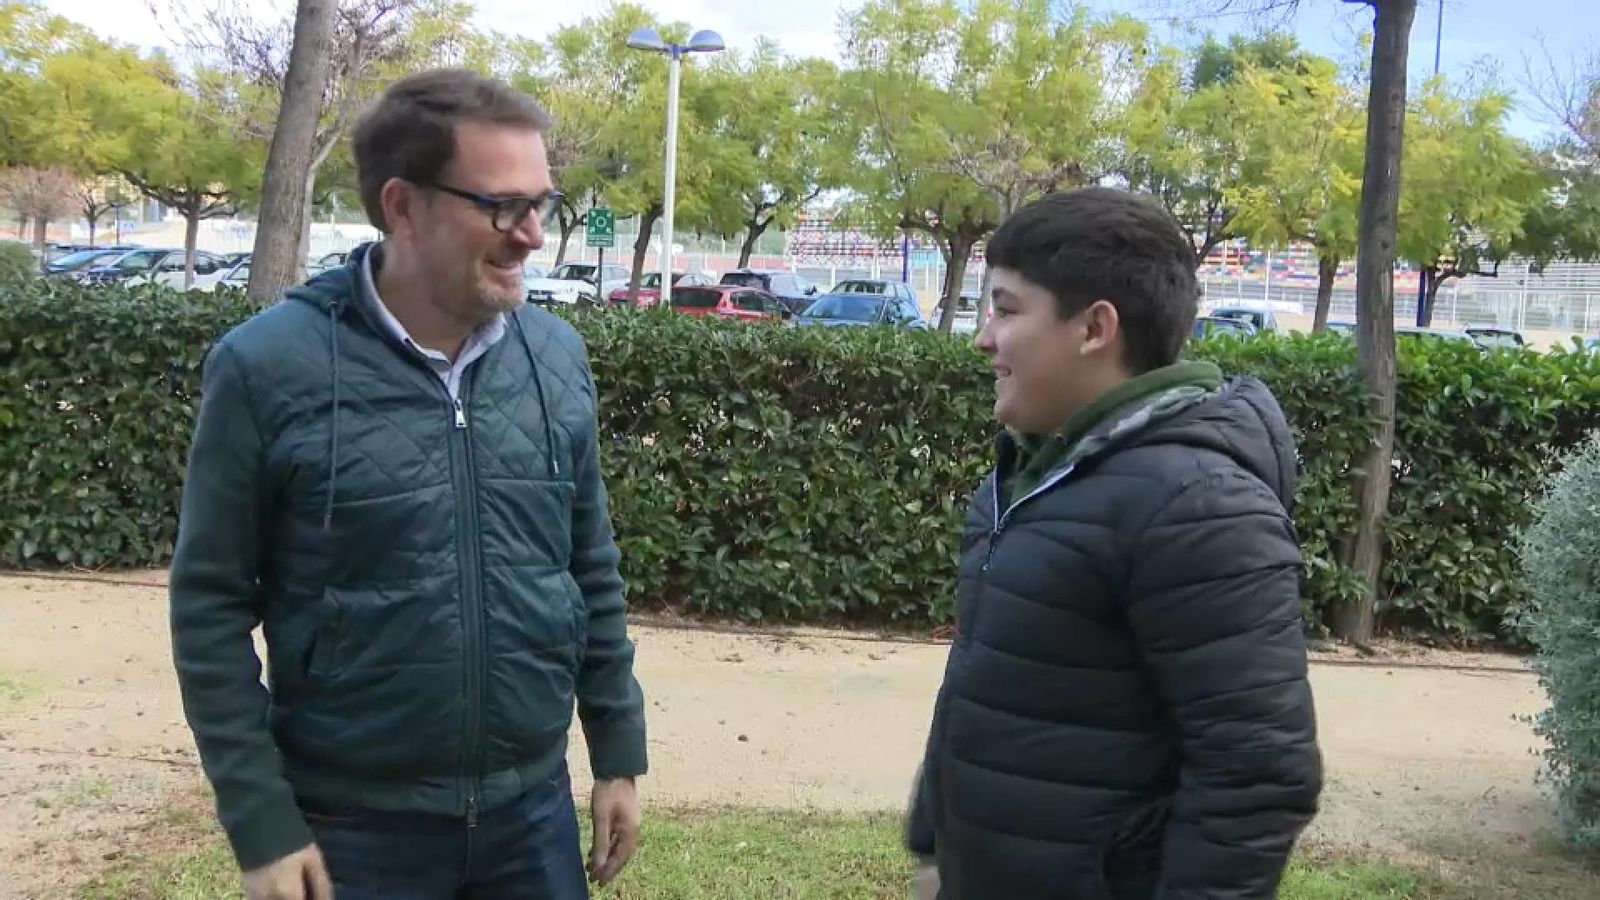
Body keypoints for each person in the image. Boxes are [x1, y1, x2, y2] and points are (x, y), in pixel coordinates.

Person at [169, 69, 647, 900]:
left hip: (531, 816)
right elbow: (209, 609)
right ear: (402, 206)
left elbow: (587, 565)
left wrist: (617, 750)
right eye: (502, 206)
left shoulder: (556, 359)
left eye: (543, 204)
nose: (533, 235)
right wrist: (261, 825)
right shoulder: (265, 368)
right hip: (355, 831)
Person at [906, 187, 1323, 899]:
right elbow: (996, 683)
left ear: (1095, 328)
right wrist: (935, 837)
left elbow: (1256, 772)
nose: (983, 337)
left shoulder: (1199, 507)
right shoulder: (1028, 476)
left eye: (1006, 310)